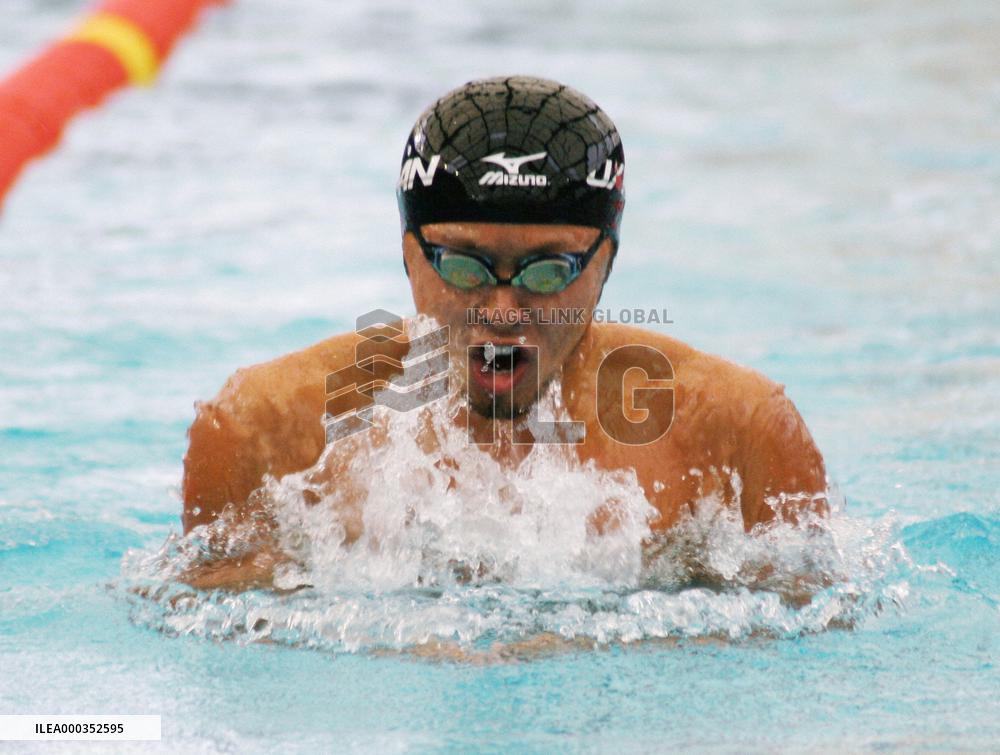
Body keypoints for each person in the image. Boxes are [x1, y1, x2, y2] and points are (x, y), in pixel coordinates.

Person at [179, 76, 827, 590]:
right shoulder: (261, 428)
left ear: (604, 263)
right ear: (410, 256)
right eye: (464, 266)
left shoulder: (736, 426)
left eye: (548, 271)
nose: (503, 307)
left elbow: (812, 648)